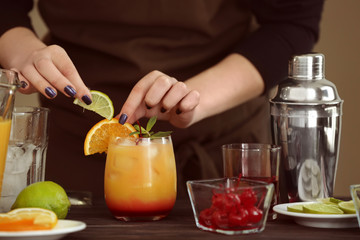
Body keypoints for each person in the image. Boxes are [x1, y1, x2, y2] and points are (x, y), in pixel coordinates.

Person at [0, 0, 324, 197]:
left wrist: (194, 98)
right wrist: (24, 52)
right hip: (76, 147)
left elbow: (291, 22)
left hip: (222, 143)